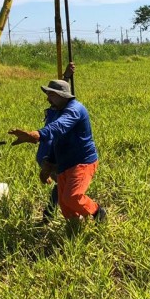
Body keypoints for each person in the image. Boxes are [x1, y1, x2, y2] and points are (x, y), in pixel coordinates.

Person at [8, 70, 106, 223]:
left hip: (82, 162)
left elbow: (58, 127)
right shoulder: (58, 110)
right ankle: (74, 228)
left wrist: (36, 135)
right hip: (64, 163)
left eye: (51, 95)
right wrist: (48, 165)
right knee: (65, 204)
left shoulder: (75, 110)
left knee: (72, 197)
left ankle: (97, 212)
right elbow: (56, 141)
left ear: (62, 96)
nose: (48, 99)